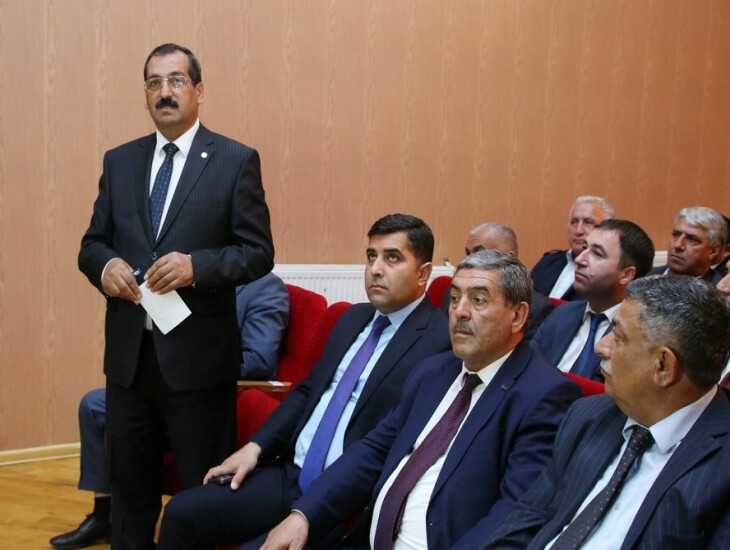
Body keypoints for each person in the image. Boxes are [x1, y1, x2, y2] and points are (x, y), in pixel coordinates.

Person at [77, 43, 274, 549]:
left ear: (198, 89)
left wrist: (196, 267)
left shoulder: (235, 160)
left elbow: (257, 253)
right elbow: (92, 244)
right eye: (154, 82)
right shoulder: (119, 161)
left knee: (200, 499)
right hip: (129, 363)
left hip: (198, 365)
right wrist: (106, 266)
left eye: (176, 80)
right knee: (129, 496)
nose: (164, 92)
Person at [156, 213, 452, 549]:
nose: (376, 269)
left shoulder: (439, 341)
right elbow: (308, 392)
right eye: (372, 256)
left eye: (392, 258)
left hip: (345, 501)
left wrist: (309, 512)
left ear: (423, 273)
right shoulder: (353, 318)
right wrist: (254, 448)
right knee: (181, 513)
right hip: (291, 475)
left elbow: (396, 444)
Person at [259, 251, 582, 550]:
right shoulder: (433, 372)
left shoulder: (544, 395)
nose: (459, 312)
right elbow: (374, 451)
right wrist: (304, 515)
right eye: (454, 298)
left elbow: (514, 514)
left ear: (518, 316)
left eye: (478, 300)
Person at [480, 275, 730, 549]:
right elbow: (524, 521)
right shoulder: (588, 415)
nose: (601, 346)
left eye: (618, 337)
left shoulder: (721, 466)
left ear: (663, 366)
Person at [49, 273, 288, 549]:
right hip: (155, 384)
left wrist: (196, 362)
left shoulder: (265, 287)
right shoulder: (187, 276)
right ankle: (104, 515)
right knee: (94, 405)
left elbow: (258, 360)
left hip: (209, 395)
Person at [532, 219, 654, 381]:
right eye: (584, 248)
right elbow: (525, 371)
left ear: (626, 275)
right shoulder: (562, 314)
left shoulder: (638, 335)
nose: (579, 260)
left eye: (597, 254)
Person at [445, 222, 554, 341]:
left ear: (509, 258)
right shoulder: (455, 294)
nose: (470, 259)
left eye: (480, 252)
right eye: (468, 253)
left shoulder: (537, 309)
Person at [531, 196, 615, 301]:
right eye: (574, 222)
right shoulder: (547, 262)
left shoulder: (608, 274)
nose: (578, 231)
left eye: (588, 222)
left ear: (608, 229)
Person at [649, 206, 726, 283]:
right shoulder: (645, 277)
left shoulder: (719, 289)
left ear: (713, 251)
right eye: (676, 235)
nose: (678, 245)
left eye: (692, 239)